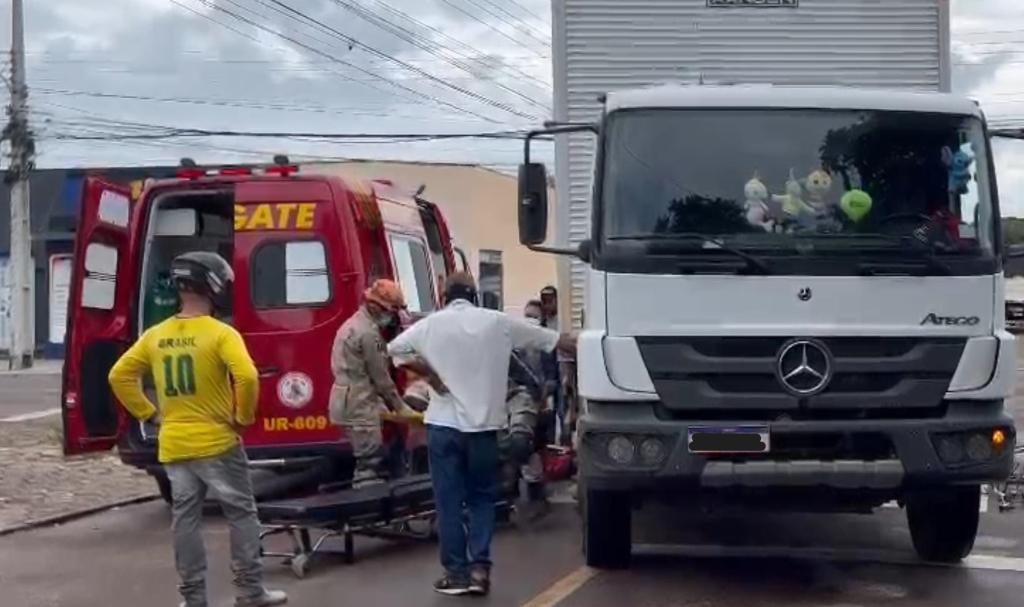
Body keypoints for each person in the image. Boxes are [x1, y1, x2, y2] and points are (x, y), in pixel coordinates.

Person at [107, 252, 286, 607]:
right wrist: (243, 417)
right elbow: (247, 376)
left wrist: (149, 413)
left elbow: (119, 375)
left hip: (174, 444)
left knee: (185, 520)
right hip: (218, 442)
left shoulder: (155, 336)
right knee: (241, 513)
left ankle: (193, 598)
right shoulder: (222, 334)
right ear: (215, 286)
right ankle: (250, 591)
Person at [388, 272, 575, 597]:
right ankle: (479, 571)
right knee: (481, 500)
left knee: (448, 501)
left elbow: (395, 350)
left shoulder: (432, 324)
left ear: (445, 296)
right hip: (484, 430)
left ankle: (455, 574)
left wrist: (431, 377)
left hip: (444, 429)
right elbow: (549, 339)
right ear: (474, 295)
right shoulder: (497, 322)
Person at [329, 278, 418, 487]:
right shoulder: (368, 334)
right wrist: (401, 408)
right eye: (391, 311)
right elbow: (381, 379)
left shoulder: (349, 325)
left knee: (364, 458)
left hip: (342, 402)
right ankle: (366, 510)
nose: (392, 317)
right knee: (369, 466)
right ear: (376, 307)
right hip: (360, 407)